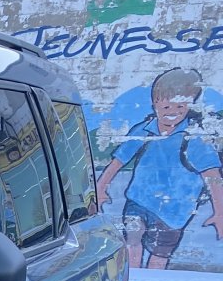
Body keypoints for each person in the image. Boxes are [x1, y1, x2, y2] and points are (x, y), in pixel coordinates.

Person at [95, 67, 223, 269]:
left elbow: (213, 176)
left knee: (159, 254)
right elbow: (118, 160)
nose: (172, 114)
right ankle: (133, 279)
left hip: (174, 213)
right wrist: (100, 189)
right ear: (154, 104)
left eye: (180, 108)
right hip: (138, 200)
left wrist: (220, 212)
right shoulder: (145, 129)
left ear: (189, 105)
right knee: (133, 241)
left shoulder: (195, 138)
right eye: (165, 108)